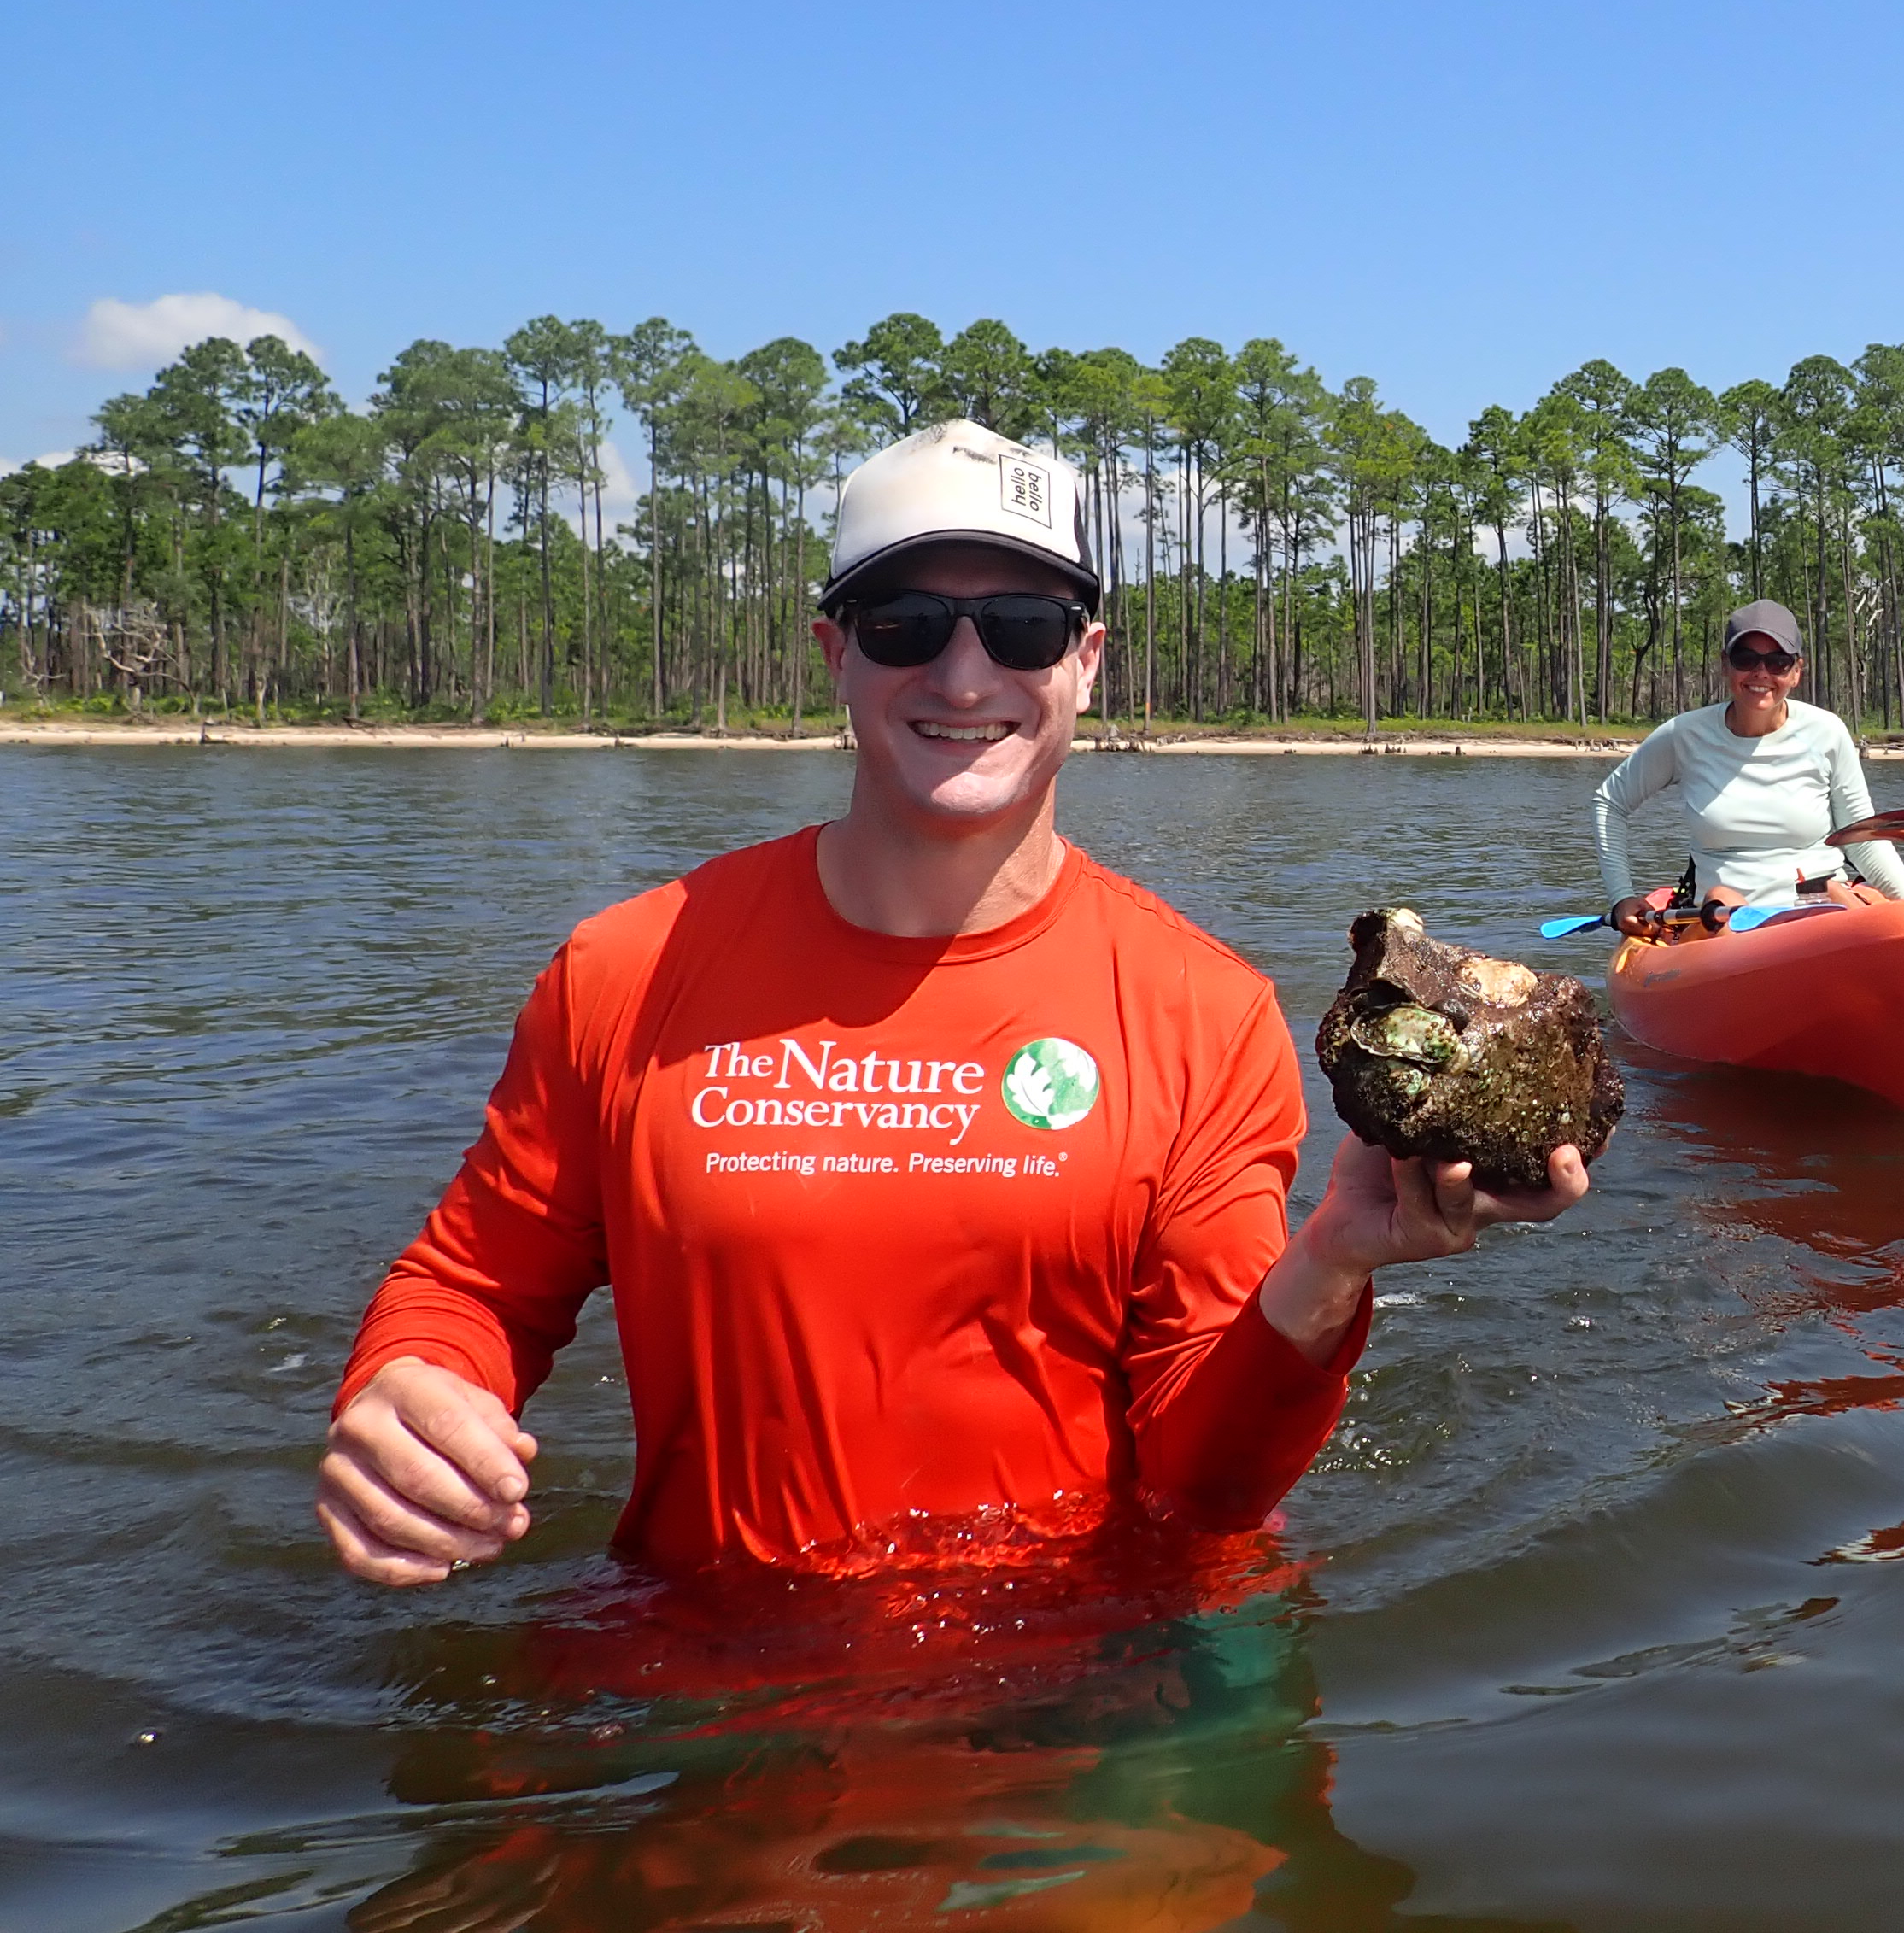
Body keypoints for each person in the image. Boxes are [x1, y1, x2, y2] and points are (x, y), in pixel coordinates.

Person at [316, 419, 1585, 1586]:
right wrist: (410, 1388)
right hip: (707, 1668)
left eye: (1025, 625)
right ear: (836, 652)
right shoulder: (627, 969)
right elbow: (475, 1283)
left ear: (1086, 660)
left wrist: (1329, 1268)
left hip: (1083, 1694)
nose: (967, 674)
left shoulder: (1207, 1013)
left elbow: (1204, 1488)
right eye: (907, 622)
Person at [1592, 599, 1904, 940]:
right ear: (1726, 665)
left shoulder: (1828, 732)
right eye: (1746, 659)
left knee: (1839, 897)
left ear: (1796, 671)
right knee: (1723, 900)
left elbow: (1863, 839)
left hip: (1820, 903)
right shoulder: (1683, 735)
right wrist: (1621, 897)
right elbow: (1610, 802)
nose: (1761, 673)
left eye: (1778, 662)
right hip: (1722, 916)